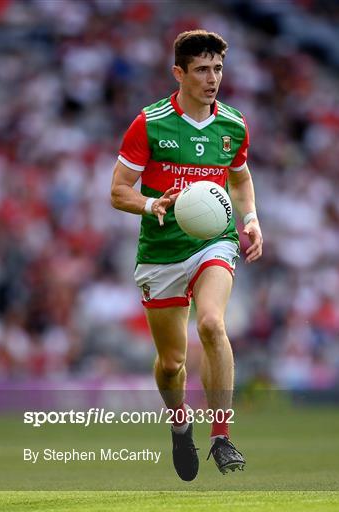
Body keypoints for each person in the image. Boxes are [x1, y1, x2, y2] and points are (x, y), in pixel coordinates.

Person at [111, 29, 262, 481]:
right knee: (173, 363)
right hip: (161, 250)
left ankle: (222, 436)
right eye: (201, 69)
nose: (212, 78)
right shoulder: (150, 122)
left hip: (214, 241)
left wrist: (251, 218)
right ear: (179, 72)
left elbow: (239, 178)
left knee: (213, 324)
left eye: (217, 68)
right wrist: (150, 204)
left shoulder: (233, 124)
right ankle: (180, 423)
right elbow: (118, 190)